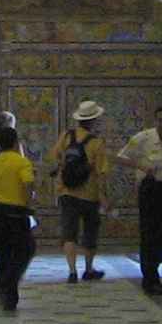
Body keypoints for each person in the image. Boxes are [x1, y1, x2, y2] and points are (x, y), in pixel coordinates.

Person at [0, 116, 37, 312]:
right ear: (16, 142)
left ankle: (8, 299)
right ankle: (4, 283)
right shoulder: (22, 163)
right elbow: (27, 184)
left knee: (1, 254)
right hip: (17, 213)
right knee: (25, 250)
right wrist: (28, 203)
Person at [121, 104, 162, 294]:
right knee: (150, 234)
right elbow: (121, 157)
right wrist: (142, 167)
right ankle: (149, 279)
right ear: (154, 121)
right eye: (160, 120)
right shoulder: (143, 138)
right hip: (151, 188)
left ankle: (154, 275)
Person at [53, 100, 112, 282]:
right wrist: (103, 196)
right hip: (89, 194)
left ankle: (72, 271)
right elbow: (101, 172)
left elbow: (57, 157)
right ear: (93, 121)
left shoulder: (66, 136)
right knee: (90, 232)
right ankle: (88, 269)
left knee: (69, 233)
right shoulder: (96, 144)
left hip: (66, 191)